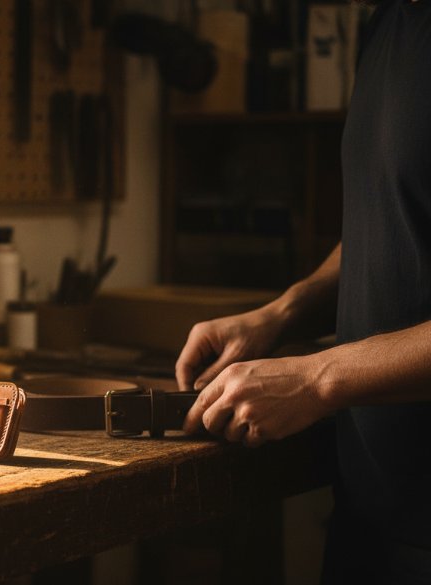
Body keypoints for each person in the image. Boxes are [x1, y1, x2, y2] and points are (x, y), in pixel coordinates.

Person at [175, 0, 431, 582]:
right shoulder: (389, 23)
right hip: (370, 510)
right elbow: (396, 216)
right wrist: (283, 313)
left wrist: (318, 379)